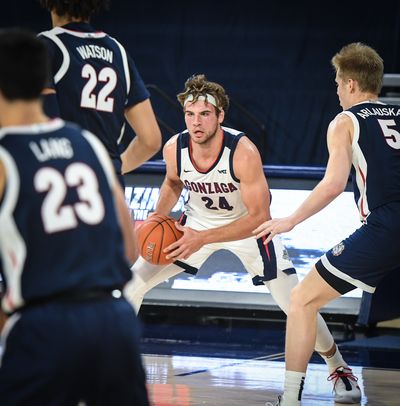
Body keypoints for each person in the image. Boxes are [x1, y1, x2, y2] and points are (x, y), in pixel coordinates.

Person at [124, 73, 361, 404]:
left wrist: (203, 238)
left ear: (221, 115)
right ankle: (114, 368)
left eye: (204, 114)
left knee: (296, 303)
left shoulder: (243, 151)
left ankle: (338, 368)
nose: (196, 122)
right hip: (194, 226)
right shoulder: (173, 147)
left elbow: (260, 217)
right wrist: (157, 217)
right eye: (190, 114)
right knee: (131, 284)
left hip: (248, 229)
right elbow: (173, 182)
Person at [0, 29, 149, 406]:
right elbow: (129, 247)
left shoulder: (5, 157)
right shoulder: (92, 146)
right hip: (114, 322)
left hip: (44, 326)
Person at [254, 42, 400, 405]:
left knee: (302, 300)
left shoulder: (345, 121)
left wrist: (290, 219)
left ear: (351, 84)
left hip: (387, 225)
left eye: (337, 82)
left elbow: (334, 184)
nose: (335, 90)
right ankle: (340, 376)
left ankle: (290, 398)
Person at [38, 0, 162, 186]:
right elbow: (151, 140)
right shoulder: (118, 50)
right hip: (109, 184)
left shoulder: (45, 45)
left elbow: (42, 123)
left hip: (62, 180)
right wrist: (111, 167)